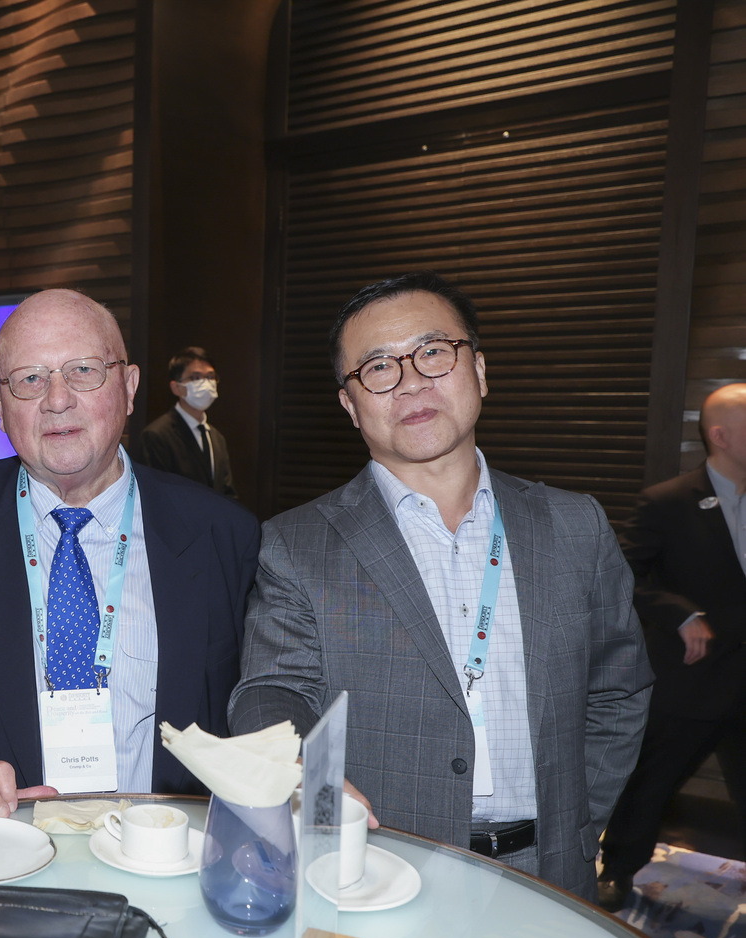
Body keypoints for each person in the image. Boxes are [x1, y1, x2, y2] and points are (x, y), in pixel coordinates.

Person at [228, 271, 651, 899]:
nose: (411, 382)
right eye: (378, 367)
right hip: (380, 864)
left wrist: (575, 822)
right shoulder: (298, 543)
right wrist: (297, 768)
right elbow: (272, 689)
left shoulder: (574, 525)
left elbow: (619, 689)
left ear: (478, 369)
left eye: (432, 352)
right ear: (350, 405)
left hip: (550, 871)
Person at [0, 289, 260, 820]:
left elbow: (254, 702)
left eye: (83, 371)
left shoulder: (222, 533)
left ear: (129, 387)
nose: (57, 399)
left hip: (162, 842)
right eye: (30, 379)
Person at [597, 384, 746, 909]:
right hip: (693, 678)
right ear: (720, 436)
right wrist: (679, 612)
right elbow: (621, 576)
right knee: (651, 783)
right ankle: (618, 869)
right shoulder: (668, 501)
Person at [131, 346, 237, 497]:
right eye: (196, 378)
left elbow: (227, 492)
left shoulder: (217, 438)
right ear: (176, 388)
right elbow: (155, 494)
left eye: (210, 377)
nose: (206, 384)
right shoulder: (156, 435)